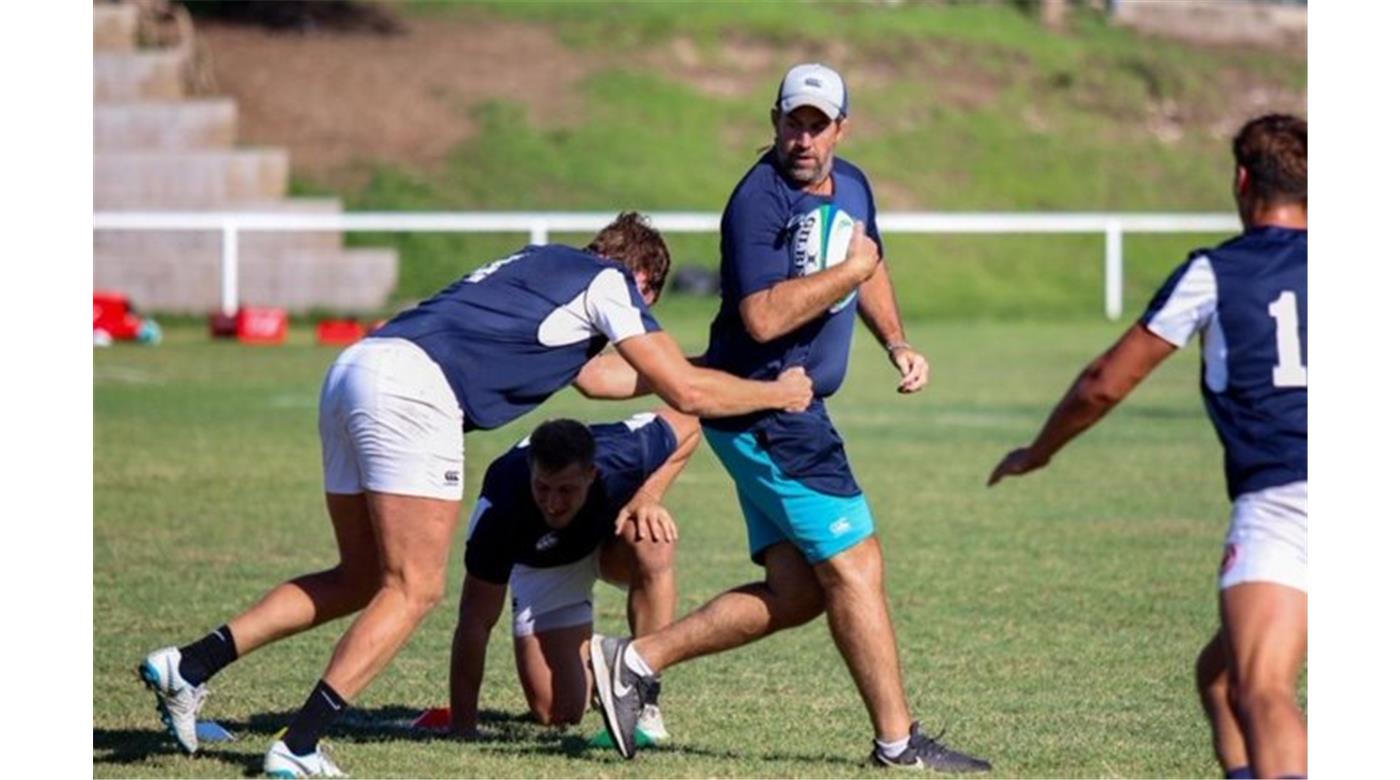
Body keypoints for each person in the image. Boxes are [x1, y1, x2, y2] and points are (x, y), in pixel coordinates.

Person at [137, 212, 813, 778]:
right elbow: (687, 396)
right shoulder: (611, 286)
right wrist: (776, 394)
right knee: (415, 588)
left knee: (360, 575)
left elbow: (600, 381)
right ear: (644, 285)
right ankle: (300, 745)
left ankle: (189, 665)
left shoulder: (542, 263)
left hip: (357, 368)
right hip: (417, 393)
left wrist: (695, 368)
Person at [586, 64, 991, 772]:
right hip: (767, 410)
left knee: (797, 592)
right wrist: (851, 272)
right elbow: (763, 316)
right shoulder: (757, 202)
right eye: (791, 121)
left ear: (841, 128)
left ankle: (634, 659)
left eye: (817, 124)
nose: (802, 138)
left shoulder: (856, 184)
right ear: (773, 121)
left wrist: (896, 341)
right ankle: (899, 745)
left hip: (794, 410)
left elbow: (874, 264)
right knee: (858, 565)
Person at [987, 114, 1307, 779]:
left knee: (1262, 689)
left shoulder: (1216, 273)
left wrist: (1039, 450)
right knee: (1219, 681)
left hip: (1288, 499)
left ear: (1242, 181)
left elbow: (1105, 383)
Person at [449, 407, 699, 742]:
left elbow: (690, 424)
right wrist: (463, 726)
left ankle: (645, 699)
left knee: (654, 539)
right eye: (543, 488)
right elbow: (475, 619)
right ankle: (604, 669)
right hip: (544, 566)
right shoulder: (500, 508)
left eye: (566, 490)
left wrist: (649, 496)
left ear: (592, 473)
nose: (552, 503)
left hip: (608, 542)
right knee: (558, 712)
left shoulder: (625, 453)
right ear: (529, 472)